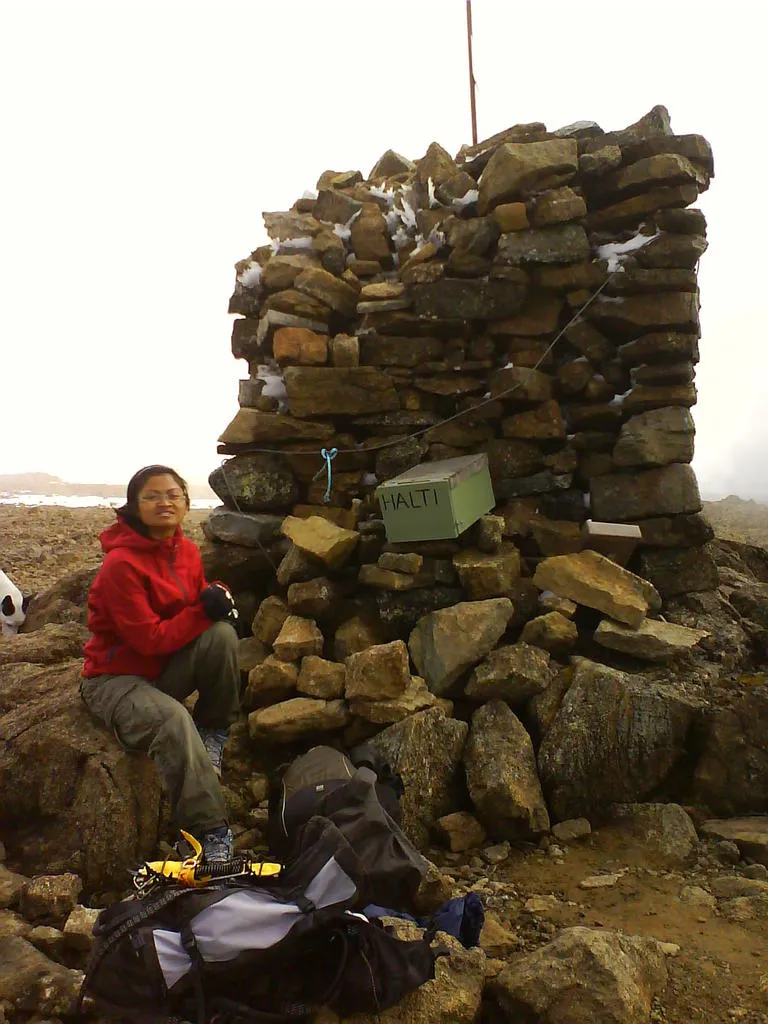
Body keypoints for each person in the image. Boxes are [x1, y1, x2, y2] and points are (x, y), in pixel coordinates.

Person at [81, 465, 241, 862]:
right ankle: (208, 833)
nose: (163, 502)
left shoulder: (186, 552)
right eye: (151, 496)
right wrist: (204, 610)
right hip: (116, 680)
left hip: (162, 669)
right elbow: (149, 639)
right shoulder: (121, 565)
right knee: (172, 720)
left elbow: (194, 608)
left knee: (222, 636)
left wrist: (214, 595)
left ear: (185, 502)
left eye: (172, 494)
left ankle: (213, 733)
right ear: (134, 506)